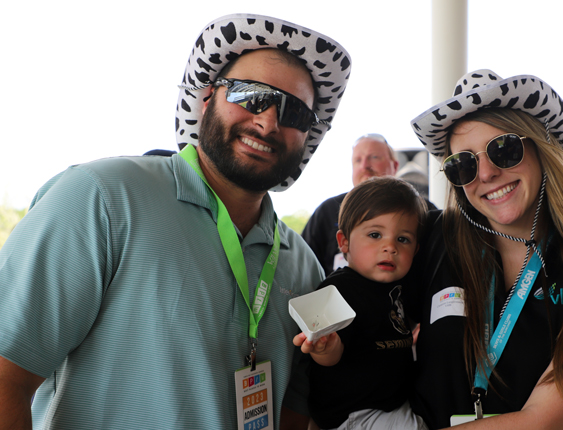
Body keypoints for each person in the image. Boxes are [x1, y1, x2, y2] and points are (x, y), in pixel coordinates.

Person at [0, 14, 351, 429]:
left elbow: (295, 408)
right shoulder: (104, 197)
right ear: (206, 99)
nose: (268, 121)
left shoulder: (302, 265)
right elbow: (7, 377)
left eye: (294, 112)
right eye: (250, 95)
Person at [405, 70, 563, 429]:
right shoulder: (432, 239)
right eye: (464, 164)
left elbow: (543, 423)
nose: (484, 173)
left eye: (503, 149)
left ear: (540, 147)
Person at [293, 176, 428, 430]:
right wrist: (325, 347)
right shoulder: (340, 290)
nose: (390, 247)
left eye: (403, 239)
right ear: (344, 242)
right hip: (354, 414)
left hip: (390, 404)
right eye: (375, 235)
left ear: (417, 249)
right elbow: (330, 356)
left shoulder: (399, 287)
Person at [302, 134, 400, 275]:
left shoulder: (419, 211)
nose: (365, 166)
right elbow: (304, 270)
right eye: (357, 160)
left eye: (374, 157)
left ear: (394, 166)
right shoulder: (328, 210)